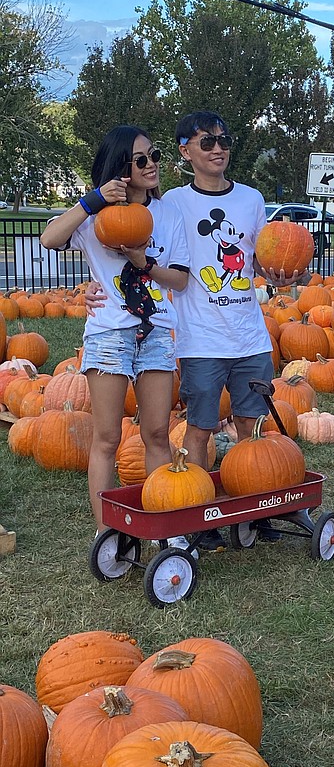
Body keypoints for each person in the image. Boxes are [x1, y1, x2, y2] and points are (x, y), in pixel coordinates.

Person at [86, 111, 307, 552]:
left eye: (225, 140)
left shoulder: (251, 198)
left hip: (249, 335)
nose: (218, 148)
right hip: (198, 336)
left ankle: (255, 509)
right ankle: (198, 514)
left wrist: (280, 275)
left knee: (253, 424)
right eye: (206, 142)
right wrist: (95, 285)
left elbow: (263, 255)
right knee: (199, 429)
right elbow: (123, 236)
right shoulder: (171, 204)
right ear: (186, 151)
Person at [41, 125, 191, 549]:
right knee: (106, 438)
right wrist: (92, 201)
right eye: (141, 159)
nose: (153, 165)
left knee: (158, 434)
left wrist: (142, 262)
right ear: (121, 167)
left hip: (157, 331)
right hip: (109, 332)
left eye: (155, 155)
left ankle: (167, 529)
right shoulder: (94, 216)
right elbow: (50, 237)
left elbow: (179, 280)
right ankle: (108, 532)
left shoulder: (167, 215)